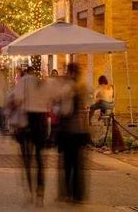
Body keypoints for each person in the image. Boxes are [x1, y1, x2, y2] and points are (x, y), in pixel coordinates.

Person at [10, 65, 50, 204]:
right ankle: (40, 190)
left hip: (28, 119)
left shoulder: (24, 81)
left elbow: (17, 99)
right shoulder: (42, 82)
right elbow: (49, 101)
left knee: (27, 157)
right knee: (39, 158)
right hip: (41, 121)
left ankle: (30, 190)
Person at [58, 63, 89, 204]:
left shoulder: (69, 88)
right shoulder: (82, 87)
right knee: (78, 164)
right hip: (81, 130)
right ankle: (78, 195)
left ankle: (66, 193)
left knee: (67, 163)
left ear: (70, 72)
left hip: (69, 131)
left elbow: (64, 110)